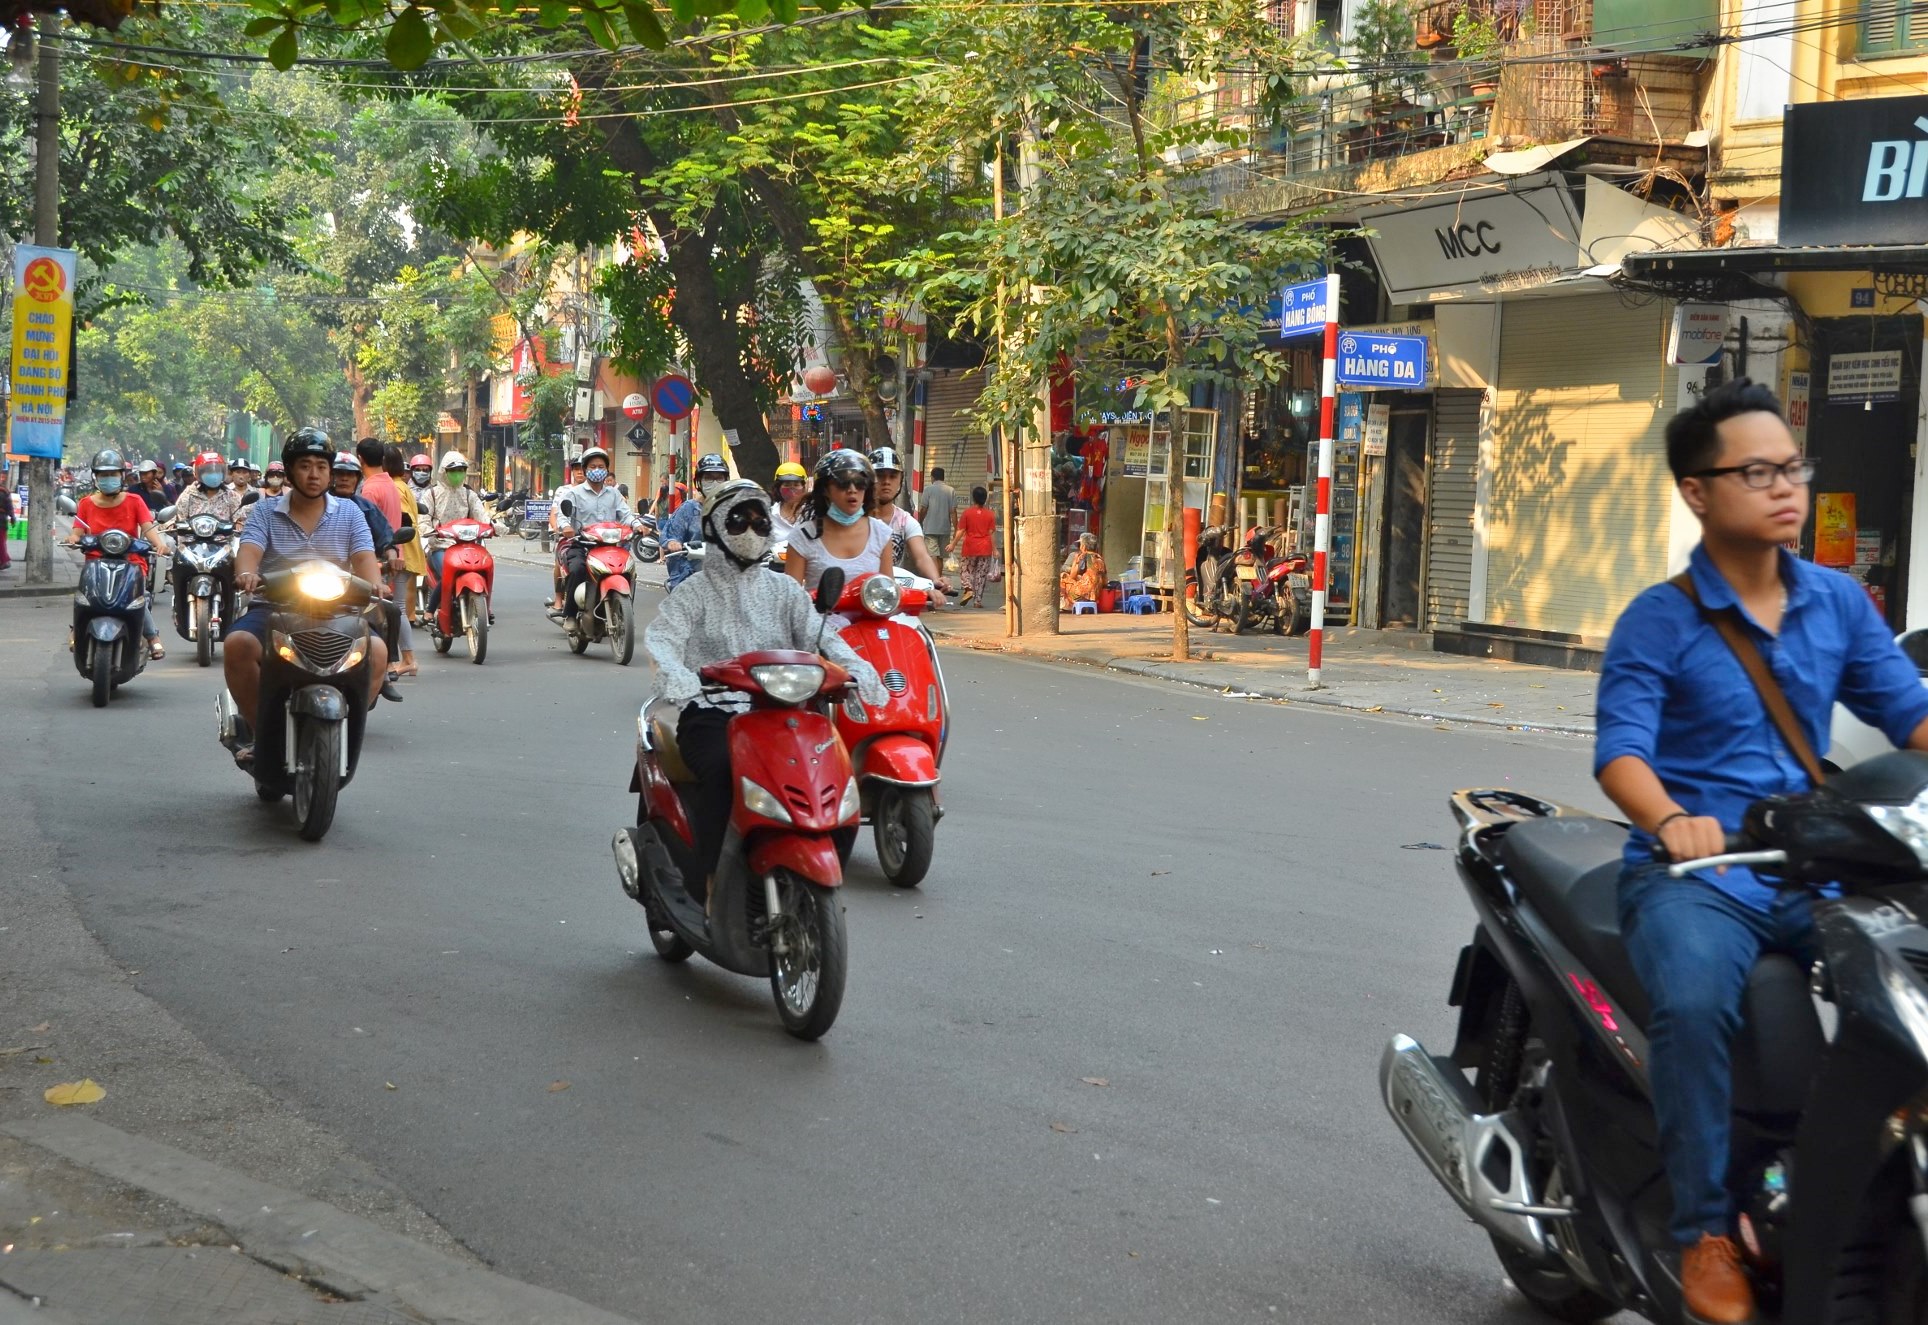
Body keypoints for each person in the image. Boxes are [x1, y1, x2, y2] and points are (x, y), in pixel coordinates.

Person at [1594, 378, 1928, 1325]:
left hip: (1817, 865)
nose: (1787, 488)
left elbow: (1907, 715)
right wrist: (1670, 819)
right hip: (1699, 877)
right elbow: (1620, 750)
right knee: (1695, 1004)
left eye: (1793, 467)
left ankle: (1831, 1199)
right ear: (1698, 491)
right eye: (1758, 471)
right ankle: (1704, 1231)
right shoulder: (1659, 618)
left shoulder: (1836, 602)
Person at [643, 479, 887, 897]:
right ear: (715, 527)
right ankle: (711, 881)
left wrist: (856, 669)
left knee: (837, 777)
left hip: (785, 715)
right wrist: (680, 677)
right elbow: (662, 640)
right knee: (723, 772)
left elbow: (821, 636)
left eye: (760, 521)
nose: (752, 530)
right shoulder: (693, 593)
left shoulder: (785, 590)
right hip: (713, 714)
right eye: (738, 521)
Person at [226, 430, 388, 764]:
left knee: (379, 651)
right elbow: (250, 551)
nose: (313, 474)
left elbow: (364, 559)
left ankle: (344, 728)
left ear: (330, 472)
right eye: (304, 466)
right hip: (274, 607)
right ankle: (263, 736)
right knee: (238, 644)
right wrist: (246, 573)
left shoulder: (350, 513)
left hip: (340, 609)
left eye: (321, 466)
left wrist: (376, 584)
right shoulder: (265, 512)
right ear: (288, 471)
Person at [68, 449, 170, 659]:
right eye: (104, 475)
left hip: (130, 562)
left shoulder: (134, 501)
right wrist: (72, 539)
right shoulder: (86, 503)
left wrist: (160, 544)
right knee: (84, 597)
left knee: (136, 598)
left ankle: (152, 637)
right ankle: (75, 630)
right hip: (96, 562)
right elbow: (77, 531)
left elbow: (148, 527)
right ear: (96, 477)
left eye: (113, 474)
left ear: (122, 476)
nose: (108, 479)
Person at [785, 449, 894, 597]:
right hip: (818, 620)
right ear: (825, 490)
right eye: (843, 483)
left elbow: (890, 594)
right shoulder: (802, 536)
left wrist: (929, 594)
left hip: (871, 620)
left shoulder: (881, 533)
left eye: (860, 483)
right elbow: (791, 601)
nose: (852, 490)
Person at [550, 447, 631, 617]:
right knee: (578, 569)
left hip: (608, 546)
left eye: (601, 466)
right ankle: (570, 615)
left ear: (607, 469)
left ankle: (623, 611)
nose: (597, 470)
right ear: (586, 469)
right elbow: (562, 517)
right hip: (581, 545)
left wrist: (638, 525)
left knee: (627, 568)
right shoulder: (574, 493)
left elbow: (626, 515)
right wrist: (566, 527)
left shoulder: (614, 494)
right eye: (593, 466)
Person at [869, 447, 952, 604]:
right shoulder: (855, 519)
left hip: (888, 597)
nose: (886, 481)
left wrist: (936, 581)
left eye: (893, 476)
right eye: (880, 476)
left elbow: (921, 557)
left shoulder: (906, 521)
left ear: (900, 481)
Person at [419, 451, 493, 618]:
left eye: (461, 470)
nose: (458, 474)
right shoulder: (431, 495)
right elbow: (423, 519)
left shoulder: (469, 494)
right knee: (448, 572)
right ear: (444, 472)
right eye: (453, 471)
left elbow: (481, 515)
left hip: (468, 545)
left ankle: (486, 607)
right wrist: (427, 529)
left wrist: (493, 525)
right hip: (441, 546)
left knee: (486, 566)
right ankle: (430, 610)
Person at [662, 453, 731, 590]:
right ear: (699, 482)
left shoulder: (735, 509)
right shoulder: (688, 509)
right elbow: (670, 534)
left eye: (719, 478)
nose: (714, 482)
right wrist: (673, 542)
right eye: (708, 478)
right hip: (691, 572)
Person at [384, 445, 427, 660]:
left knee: (397, 608)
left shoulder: (394, 488)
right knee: (398, 607)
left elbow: (401, 521)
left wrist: (395, 552)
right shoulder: (401, 485)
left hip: (401, 548)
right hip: (406, 547)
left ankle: (406, 660)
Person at [956, 485, 998, 609]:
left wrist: (953, 544)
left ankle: (968, 588)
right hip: (985, 548)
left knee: (966, 570)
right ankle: (977, 601)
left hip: (970, 547)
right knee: (981, 575)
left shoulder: (967, 513)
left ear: (973, 498)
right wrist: (995, 549)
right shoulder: (990, 514)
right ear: (985, 499)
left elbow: (961, 530)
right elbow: (992, 533)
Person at [918, 465, 957, 570]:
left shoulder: (928, 490)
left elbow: (924, 509)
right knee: (940, 557)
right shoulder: (951, 490)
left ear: (932, 477)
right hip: (944, 529)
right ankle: (938, 578)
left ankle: (936, 579)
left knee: (932, 556)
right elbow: (953, 512)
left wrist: (920, 522)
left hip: (930, 529)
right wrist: (956, 529)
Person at [1058, 532, 1105, 609]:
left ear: (1083, 546)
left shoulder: (1081, 556)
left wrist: (1075, 563)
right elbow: (1105, 580)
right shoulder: (1100, 558)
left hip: (1081, 593)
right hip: (1096, 595)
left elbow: (1072, 576)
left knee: (1063, 577)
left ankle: (1067, 605)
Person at [770, 461, 809, 547]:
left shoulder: (811, 513)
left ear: (803, 487)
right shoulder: (770, 514)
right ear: (778, 488)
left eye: (796, 485)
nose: (792, 490)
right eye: (787, 485)